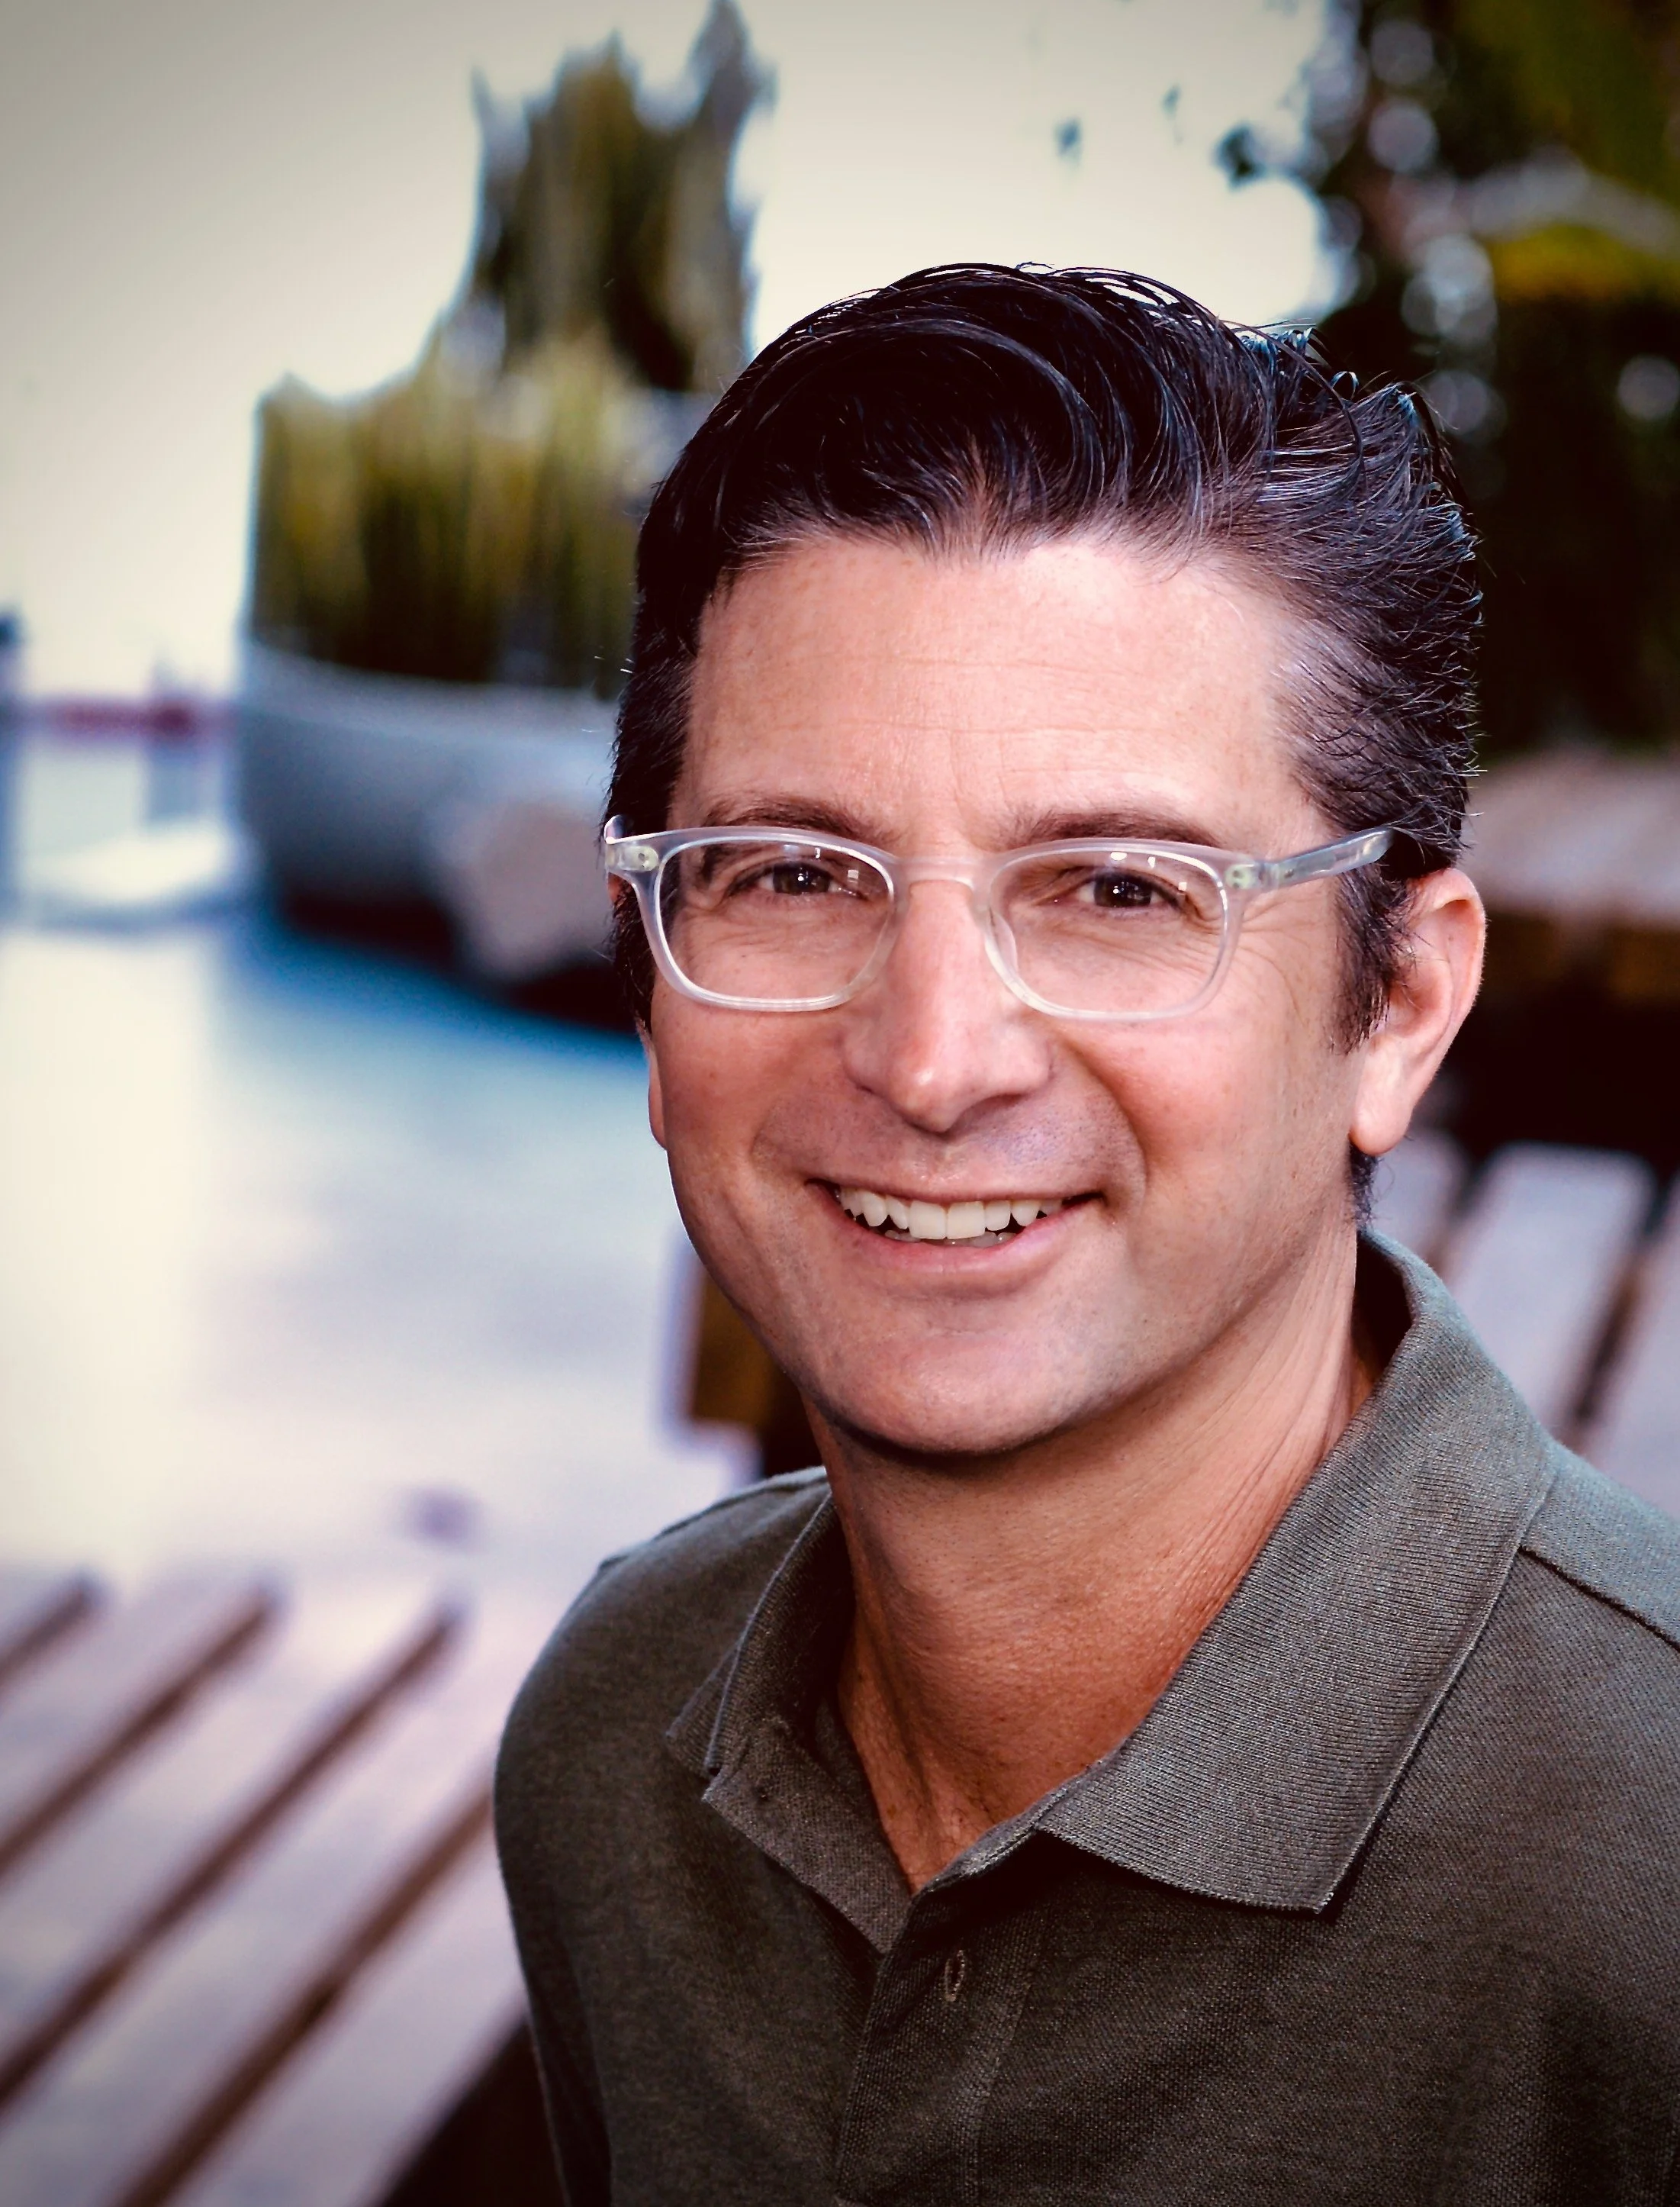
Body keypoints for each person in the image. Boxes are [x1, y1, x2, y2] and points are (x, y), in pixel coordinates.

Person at [495, 266, 1680, 2203]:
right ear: (650, 966)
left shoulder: (1649, 1891)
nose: (934, 1059)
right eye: (794, 871)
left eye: (1120, 890)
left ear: (1397, 1007)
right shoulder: (619, 1733)